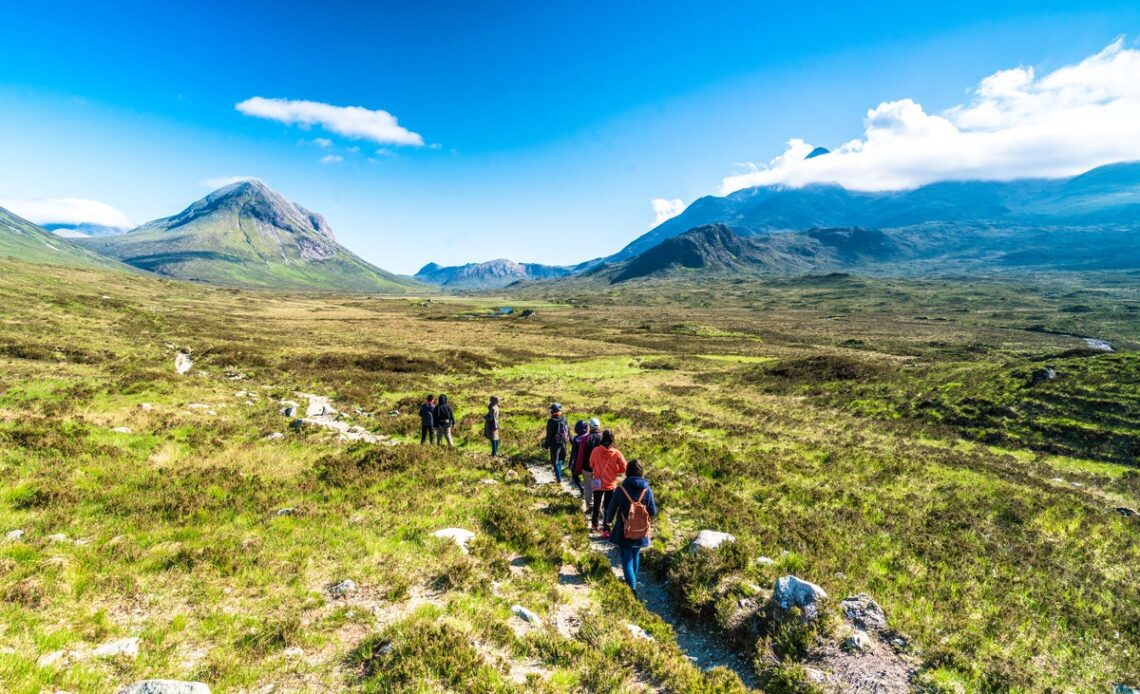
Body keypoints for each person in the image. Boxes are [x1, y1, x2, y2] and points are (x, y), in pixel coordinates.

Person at [605, 459, 657, 596]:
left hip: (624, 530)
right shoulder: (647, 490)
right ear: (642, 472)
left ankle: (632, 588)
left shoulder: (621, 489)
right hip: (640, 530)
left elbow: (611, 508)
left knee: (626, 557)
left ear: (627, 471)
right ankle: (632, 579)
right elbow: (653, 511)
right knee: (635, 554)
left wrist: (608, 521)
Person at [589, 429, 627, 536]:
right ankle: (606, 529)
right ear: (612, 439)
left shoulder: (596, 450)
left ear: (602, 438)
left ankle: (594, 525)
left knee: (596, 504)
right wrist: (615, 472)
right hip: (610, 484)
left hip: (597, 482)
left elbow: (591, 464)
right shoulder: (616, 453)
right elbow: (624, 467)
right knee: (608, 507)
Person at [575, 418, 602, 515]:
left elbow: (580, 455)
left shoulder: (585, 439)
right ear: (599, 426)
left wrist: (578, 469)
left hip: (587, 468)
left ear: (590, 427)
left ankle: (589, 506)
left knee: (587, 486)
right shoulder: (603, 438)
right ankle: (598, 507)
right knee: (598, 487)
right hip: (599, 469)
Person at [542, 403, 570, 483]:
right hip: (563, 443)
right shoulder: (564, 419)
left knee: (555, 462)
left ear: (553, 410)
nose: (550, 410)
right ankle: (559, 477)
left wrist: (546, 445)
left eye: (551, 409)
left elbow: (549, 435)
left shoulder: (551, 421)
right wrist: (571, 441)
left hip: (555, 444)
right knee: (560, 460)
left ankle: (558, 481)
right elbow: (568, 431)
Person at [568, 420, 588, 496]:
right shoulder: (589, 436)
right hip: (588, 461)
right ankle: (588, 491)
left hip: (578, 461)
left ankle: (581, 487)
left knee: (574, 475)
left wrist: (570, 464)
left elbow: (573, 453)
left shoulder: (576, 438)